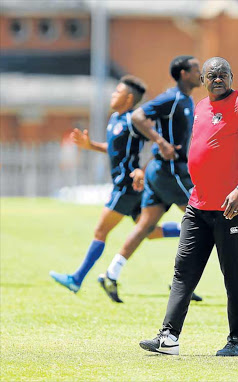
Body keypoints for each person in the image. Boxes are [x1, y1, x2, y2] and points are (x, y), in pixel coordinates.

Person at [139, 57, 238, 357]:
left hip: (230, 206)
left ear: (232, 77)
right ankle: (168, 337)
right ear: (203, 79)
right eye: (211, 75)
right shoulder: (200, 107)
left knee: (234, 275)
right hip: (197, 205)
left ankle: (237, 341)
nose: (217, 79)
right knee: (183, 271)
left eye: (223, 74)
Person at [50, 75, 182, 293]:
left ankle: (76, 279)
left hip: (127, 186)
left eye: (117, 92)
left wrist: (143, 169)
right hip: (130, 188)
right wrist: (90, 145)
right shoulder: (115, 119)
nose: (112, 95)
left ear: (129, 98)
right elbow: (114, 149)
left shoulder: (134, 121)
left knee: (100, 230)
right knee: (148, 231)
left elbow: (161, 145)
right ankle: (191, 229)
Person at [98, 55, 203, 304]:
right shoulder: (172, 97)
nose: (200, 73)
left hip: (160, 172)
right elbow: (138, 117)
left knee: (145, 227)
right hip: (171, 172)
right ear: (183, 74)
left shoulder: (187, 100)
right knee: (204, 220)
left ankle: (111, 274)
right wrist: (161, 142)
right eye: (196, 69)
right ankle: (182, 281)